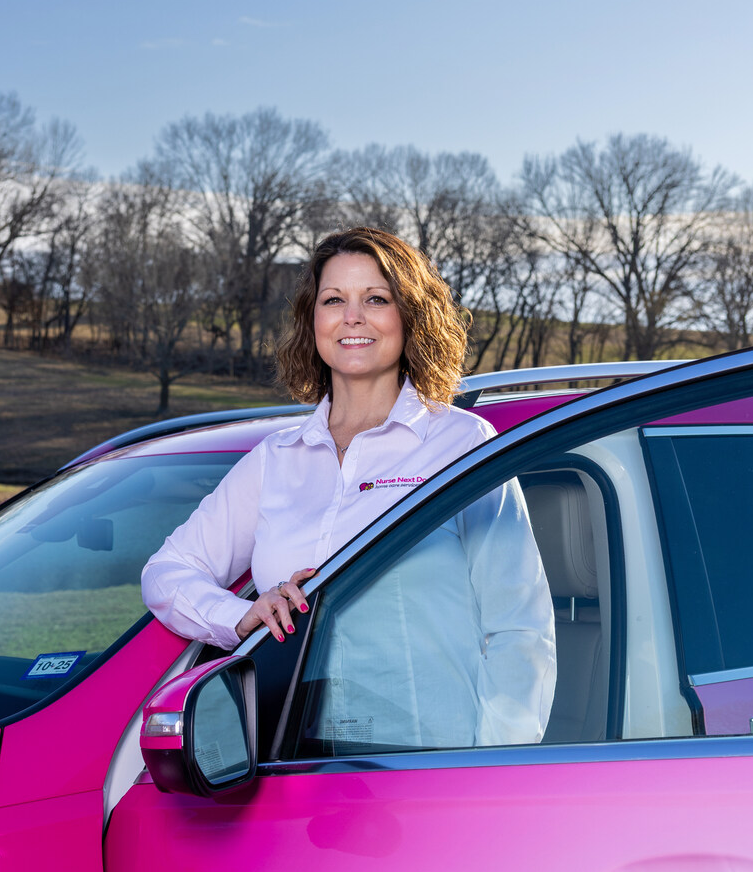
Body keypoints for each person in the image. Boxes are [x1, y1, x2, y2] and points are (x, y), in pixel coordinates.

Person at [141, 227, 556, 747]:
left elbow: (519, 625)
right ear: (313, 320)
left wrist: (497, 763)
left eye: (376, 299)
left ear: (410, 316)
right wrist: (239, 616)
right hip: (284, 757)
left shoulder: (460, 443)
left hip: (425, 761)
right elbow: (167, 571)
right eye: (334, 299)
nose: (352, 316)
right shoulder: (276, 459)